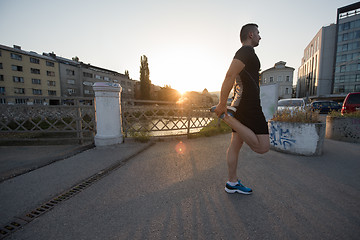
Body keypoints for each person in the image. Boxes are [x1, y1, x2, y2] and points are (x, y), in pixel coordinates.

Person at [214, 23, 270, 194]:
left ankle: (232, 182)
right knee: (262, 147)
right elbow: (230, 75)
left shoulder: (247, 53)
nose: (260, 36)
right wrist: (222, 104)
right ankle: (226, 117)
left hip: (244, 103)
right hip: (249, 105)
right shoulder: (245, 51)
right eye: (259, 33)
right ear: (251, 34)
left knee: (235, 145)